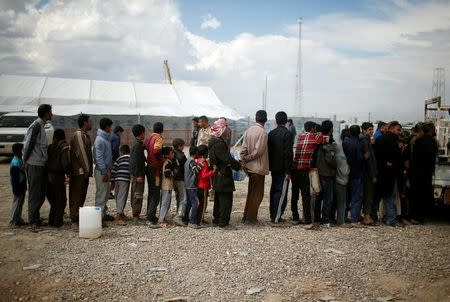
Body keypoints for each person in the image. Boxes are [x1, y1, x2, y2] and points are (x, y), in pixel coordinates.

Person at [22, 104, 52, 229]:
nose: (52, 114)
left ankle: (36, 218)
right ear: (45, 113)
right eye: (50, 112)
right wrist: (25, 161)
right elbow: (28, 145)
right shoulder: (35, 126)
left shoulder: (41, 126)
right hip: (34, 164)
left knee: (41, 193)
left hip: (41, 164)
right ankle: (32, 222)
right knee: (35, 193)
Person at [209, 118, 242, 228]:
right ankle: (223, 221)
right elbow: (227, 159)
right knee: (225, 198)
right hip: (222, 174)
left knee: (219, 197)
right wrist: (238, 165)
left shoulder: (214, 141)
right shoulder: (219, 144)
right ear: (222, 129)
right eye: (226, 127)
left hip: (217, 173)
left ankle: (217, 218)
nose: (228, 130)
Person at [291, 121, 323, 229]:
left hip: (295, 170)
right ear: (313, 128)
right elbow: (323, 139)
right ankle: (308, 221)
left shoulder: (300, 136)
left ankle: (295, 218)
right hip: (305, 171)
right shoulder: (314, 137)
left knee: (294, 195)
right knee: (306, 196)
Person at [240, 110, 269, 225]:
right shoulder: (263, 132)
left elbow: (243, 148)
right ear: (265, 119)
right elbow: (259, 151)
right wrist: (248, 158)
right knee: (257, 194)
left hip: (250, 168)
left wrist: (243, 159)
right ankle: (251, 218)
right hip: (258, 168)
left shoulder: (249, 130)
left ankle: (246, 216)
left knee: (251, 193)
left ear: (256, 118)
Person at [372, 121, 403, 227]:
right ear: (392, 128)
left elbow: (376, 156)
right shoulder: (392, 140)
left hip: (380, 172)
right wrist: (390, 163)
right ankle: (391, 218)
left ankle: (373, 217)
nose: (399, 132)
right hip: (390, 173)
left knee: (378, 196)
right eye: (398, 130)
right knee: (389, 196)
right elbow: (395, 157)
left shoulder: (380, 139)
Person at [268, 111, 293, 226]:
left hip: (273, 167)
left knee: (274, 191)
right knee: (281, 193)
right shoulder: (288, 134)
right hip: (283, 169)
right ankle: (276, 218)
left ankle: (273, 215)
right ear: (286, 120)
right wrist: (288, 171)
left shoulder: (271, 133)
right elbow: (288, 154)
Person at [409, 122, 438, 223]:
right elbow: (431, 158)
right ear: (430, 130)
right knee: (422, 195)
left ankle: (414, 216)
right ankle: (418, 217)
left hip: (417, 171)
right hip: (425, 172)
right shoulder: (432, 141)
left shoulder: (419, 140)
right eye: (434, 129)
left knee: (416, 194)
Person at [69, 114, 93, 229]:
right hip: (79, 172)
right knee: (76, 195)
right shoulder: (78, 135)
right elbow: (81, 153)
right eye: (90, 122)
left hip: (83, 172)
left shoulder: (84, 135)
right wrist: (86, 169)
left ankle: (78, 218)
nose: (91, 124)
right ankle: (74, 220)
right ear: (84, 123)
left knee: (81, 195)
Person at [46, 129, 71, 228]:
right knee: (61, 200)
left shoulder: (50, 147)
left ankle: (51, 220)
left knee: (53, 200)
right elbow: (65, 163)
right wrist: (69, 174)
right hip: (58, 177)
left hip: (48, 176)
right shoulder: (64, 147)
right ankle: (57, 221)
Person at [315, 120, 337, 227]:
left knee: (318, 197)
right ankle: (326, 220)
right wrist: (336, 164)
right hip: (327, 174)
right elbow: (330, 160)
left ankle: (316, 218)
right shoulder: (328, 142)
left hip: (318, 173)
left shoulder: (317, 139)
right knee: (328, 199)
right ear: (331, 129)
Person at [343, 125, 364, 227]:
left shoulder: (345, 142)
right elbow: (360, 159)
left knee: (346, 196)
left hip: (345, 172)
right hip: (356, 173)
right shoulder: (359, 144)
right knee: (356, 197)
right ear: (359, 132)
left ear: (350, 132)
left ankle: (343, 216)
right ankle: (354, 219)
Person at [93, 118, 114, 221]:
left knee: (105, 195)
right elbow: (99, 157)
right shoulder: (100, 140)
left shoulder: (105, 138)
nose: (111, 128)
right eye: (110, 126)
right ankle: (98, 219)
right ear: (107, 127)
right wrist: (104, 171)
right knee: (101, 195)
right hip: (102, 170)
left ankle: (102, 215)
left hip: (106, 169)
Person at [144, 122, 164, 224]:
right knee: (155, 193)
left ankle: (149, 213)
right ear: (162, 130)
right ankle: (151, 217)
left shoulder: (148, 138)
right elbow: (156, 151)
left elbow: (144, 147)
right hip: (155, 169)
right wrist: (161, 159)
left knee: (151, 192)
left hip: (149, 167)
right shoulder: (159, 138)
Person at [360, 122, 378, 225]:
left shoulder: (366, 140)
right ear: (364, 130)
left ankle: (366, 215)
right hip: (368, 173)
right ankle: (366, 217)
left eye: (372, 129)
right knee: (368, 195)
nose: (371, 131)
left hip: (364, 172)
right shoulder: (365, 141)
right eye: (370, 129)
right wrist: (373, 175)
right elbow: (369, 160)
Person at [129, 124, 146, 222]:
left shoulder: (137, 144)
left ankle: (136, 214)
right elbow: (136, 161)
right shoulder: (137, 145)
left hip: (137, 173)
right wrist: (138, 175)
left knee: (137, 192)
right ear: (141, 133)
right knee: (137, 193)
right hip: (137, 174)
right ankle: (135, 216)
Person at [195, 145, 216, 227]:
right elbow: (204, 176)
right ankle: (200, 221)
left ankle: (200, 219)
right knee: (203, 204)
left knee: (200, 203)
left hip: (198, 185)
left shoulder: (198, 160)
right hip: (203, 185)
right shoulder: (204, 162)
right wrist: (213, 171)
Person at [111, 144, 130, 225]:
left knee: (117, 196)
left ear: (121, 151)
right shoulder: (130, 158)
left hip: (117, 179)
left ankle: (121, 213)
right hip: (125, 179)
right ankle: (118, 216)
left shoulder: (119, 158)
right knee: (122, 197)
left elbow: (114, 169)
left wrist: (112, 181)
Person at [9, 143, 27, 228]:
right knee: (16, 203)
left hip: (21, 185)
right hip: (18, 186)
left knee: (20, 203)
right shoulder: (16, 162)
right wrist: (16, 188)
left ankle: (18, 219)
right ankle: (13, 221)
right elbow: (14, 178)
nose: (23, 151)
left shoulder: (19, 160)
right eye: (22, 150)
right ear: (18, 151)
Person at [184, 146, 203, 226]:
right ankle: (192, 222)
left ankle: (186, 219)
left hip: (187, 184)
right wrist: (201, 164)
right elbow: (196, 171)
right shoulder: (192, 161)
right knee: (196, 203)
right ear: (196, 153)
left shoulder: (187, 160)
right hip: (191, 185)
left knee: (189, 203)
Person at [158, 146, 176, 227]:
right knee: (165, 203)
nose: (173, 154)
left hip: (166, 186)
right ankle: (161, 220)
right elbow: (167, 174)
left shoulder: (168, 162)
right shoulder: (167, 163)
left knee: (165, 203)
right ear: (167, 155)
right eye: (172, 153)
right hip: (166, 186)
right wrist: (174, 172)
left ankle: (162, 218)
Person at [335, 137, 350, 226]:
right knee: (342, 202)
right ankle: (341, 221)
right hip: (341, 181)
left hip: (334, 179)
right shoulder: (343, 157)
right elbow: (345, 171)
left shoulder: (336, 154)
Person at [173, 138, 187, 223]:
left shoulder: (172, 153)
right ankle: (179, 216)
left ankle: (178, 212)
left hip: (174, 179)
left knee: (178, 196)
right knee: (184, 198)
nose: (183, 147)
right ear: (179, 146)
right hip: (181, 179)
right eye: (183, 145)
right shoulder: (181, 156)